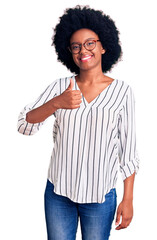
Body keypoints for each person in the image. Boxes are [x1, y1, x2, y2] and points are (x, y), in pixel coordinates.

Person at [17, 5, 140, 240]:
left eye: (90, 43)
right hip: (58, 194)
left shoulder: (122, 92)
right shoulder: (60, 87)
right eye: (76, 46)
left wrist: (128, 198)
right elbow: (24, 124)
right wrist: (56, 103)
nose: (83, 50)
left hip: (100, 197)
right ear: (70, 52)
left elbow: (128, 151)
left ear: (104, 46)